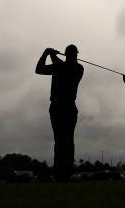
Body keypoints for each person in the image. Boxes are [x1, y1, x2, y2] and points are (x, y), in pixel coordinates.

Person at [36, 45, 84, 182]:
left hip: (68, 107)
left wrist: (50, 54)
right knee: (60, 141)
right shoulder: (58, 66)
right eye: (73, 54)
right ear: (68, 55)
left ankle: (66, 175)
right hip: (57, 107)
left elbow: (64, 68)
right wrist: (44, 55)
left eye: (75, 54)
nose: (75, 57)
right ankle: (60, 176)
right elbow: (38, 70)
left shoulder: (78, 68)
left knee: (68, 141)